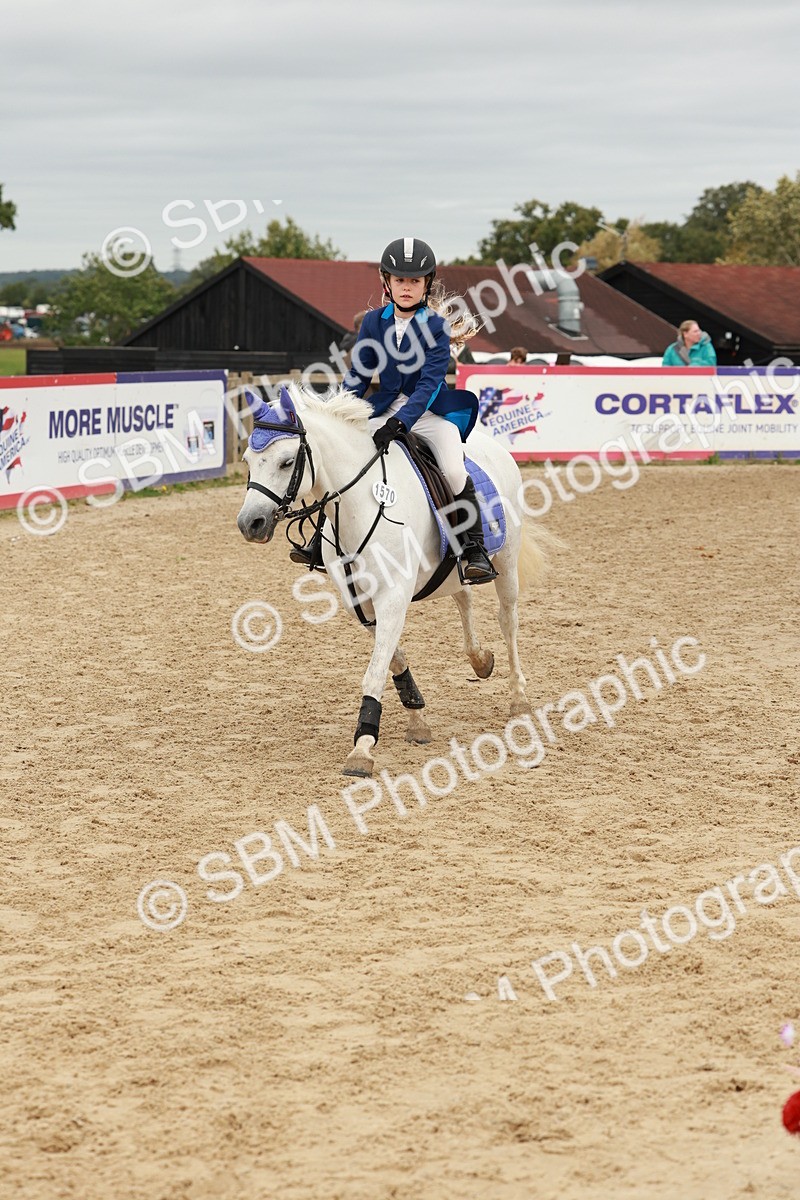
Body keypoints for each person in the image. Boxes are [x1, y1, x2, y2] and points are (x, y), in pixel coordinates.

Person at [291, 236, 496, 583]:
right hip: (382, 408)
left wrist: (402, 422)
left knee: (452, 468)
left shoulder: (436, 326)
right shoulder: (373, 323)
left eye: (414, 281)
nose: (406, 287)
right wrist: (340, 412)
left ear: (426, 284)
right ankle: (320, 538)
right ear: (386, 281)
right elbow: (359, 374)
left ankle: (473, 550)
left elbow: (430, 383)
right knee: (344, 459)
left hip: (430, 412)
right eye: (400, 280)